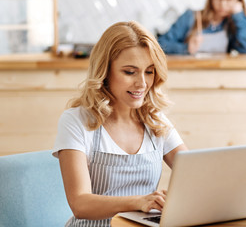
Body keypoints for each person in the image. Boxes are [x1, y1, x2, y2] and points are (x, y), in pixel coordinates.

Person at [52, 21, 188, 226]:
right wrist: (139, 202)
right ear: (105, 72)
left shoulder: (155, 120)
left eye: (149, 71)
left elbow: (196, 174)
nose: (142, 83)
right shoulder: (76, 121)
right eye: (130, 72)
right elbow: (80, 204)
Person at [158, 0, 246, 55]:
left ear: (238, 1)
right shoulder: (190, 17)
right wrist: (185, 49)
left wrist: (239, 16)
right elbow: (160, 45)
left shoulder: (232, 24)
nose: (223, 4)